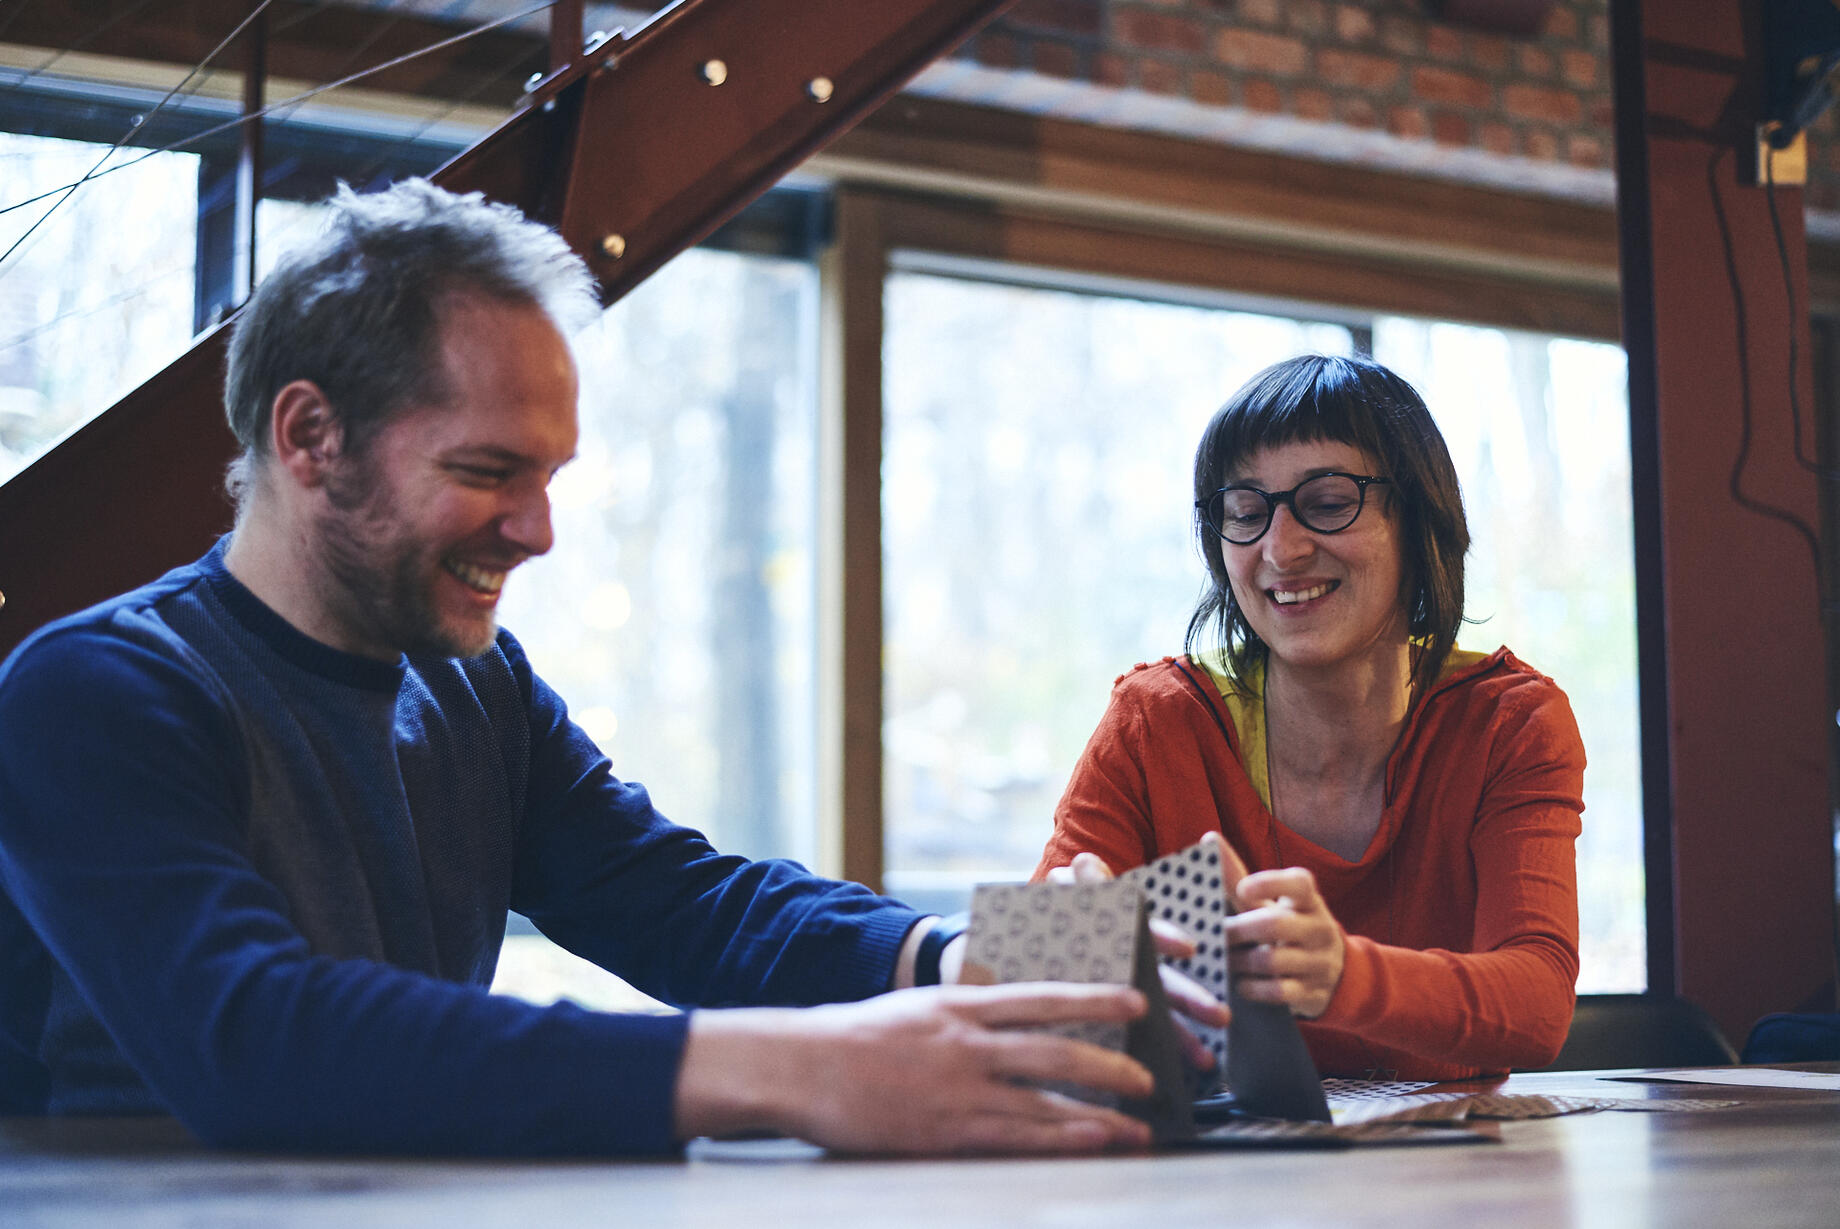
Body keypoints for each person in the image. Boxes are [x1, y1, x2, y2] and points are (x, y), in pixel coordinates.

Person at [0, 180, 1219, 1157]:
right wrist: (803, 1069)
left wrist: (964, 959)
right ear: (310, 436)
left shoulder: (477, 687)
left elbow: (684, 901)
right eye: (488, 471)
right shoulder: (98, 693)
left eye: (548, 478)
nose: (537, 531)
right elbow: (259, 1041)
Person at [1036, 354, 1585, 1081]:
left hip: (1457, 1174)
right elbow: (1033, 977)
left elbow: (1537, 1004)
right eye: (1246, 512)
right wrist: (1060, 946)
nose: (1281, 549)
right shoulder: (1154, 724)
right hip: (1206, 1173)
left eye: (1328, 503)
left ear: (1419, 520)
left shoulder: (1508, 723)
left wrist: (1341, 976)